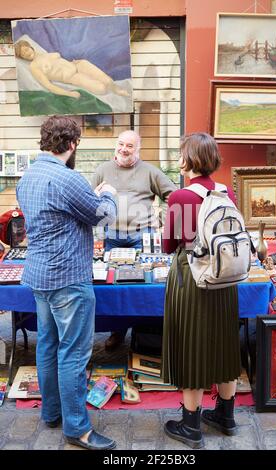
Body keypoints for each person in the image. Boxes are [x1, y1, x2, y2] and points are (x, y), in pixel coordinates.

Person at [16, 115, 118, 451]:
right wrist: (109, 194)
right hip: (68, 278)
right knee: (73, 354)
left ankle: (52, 413)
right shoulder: (67, 177)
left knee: (47, 345)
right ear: (72, 144)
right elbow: (103, 215)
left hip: (38, 276)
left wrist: (91, 195)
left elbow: (55, 215)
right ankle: (77, 429)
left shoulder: (27, 176)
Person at [161, 133, 242, 449]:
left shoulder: (181, 197)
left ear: (188, 159)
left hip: (192, 279)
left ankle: (191, 425)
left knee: (191, 344)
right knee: (223, 343)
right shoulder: (226, 192)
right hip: (225, 279)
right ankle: (226, 416)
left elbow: (170, 244)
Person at [92, 130, 177, 351]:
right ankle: (117, 332)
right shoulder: (103, 170)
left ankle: (146, 334)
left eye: (129, 146)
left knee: (143, 284)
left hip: (143, 237)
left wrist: (163, 220)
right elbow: (89, 197)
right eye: (121, 144)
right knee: (113, 288)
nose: (124, 149)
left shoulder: (150, 171)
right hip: (111, 237)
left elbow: (173, 195)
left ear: (138, 149)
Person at [14, 40, 129, 99]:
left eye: (26, 49)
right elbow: (48, 86)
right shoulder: (34, 67)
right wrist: (69, 94)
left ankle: (117, 89)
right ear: (22, 57)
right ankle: (112, 89)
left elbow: (59, 62)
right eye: (23, 54)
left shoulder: (45, 54)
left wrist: (74, 63)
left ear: (30, 47)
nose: (26, 53)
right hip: (72, 77)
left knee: (108, 81)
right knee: (102, 89)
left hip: (79, 65)